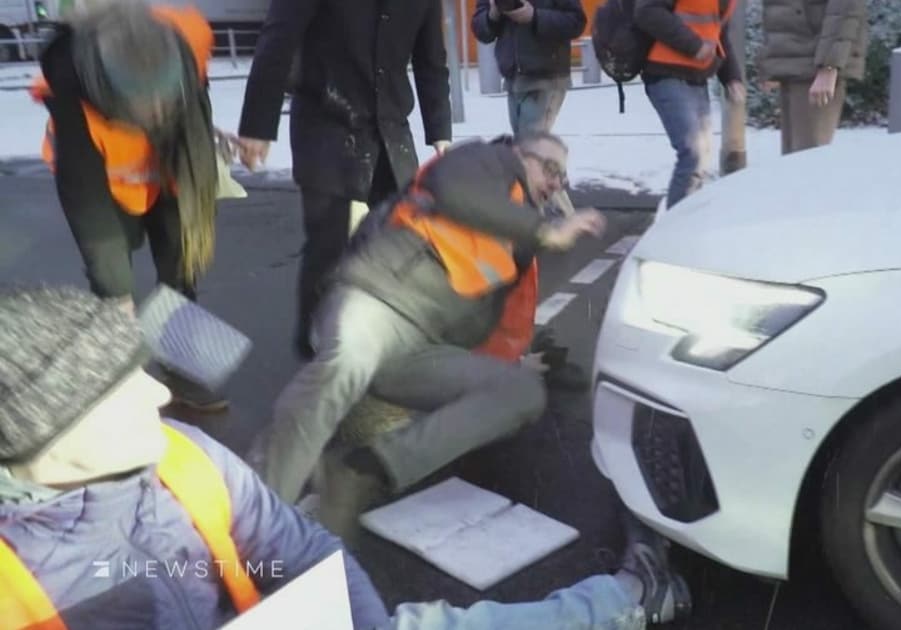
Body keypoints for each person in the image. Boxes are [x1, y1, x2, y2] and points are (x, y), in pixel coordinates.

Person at [0, 284, 687, 628]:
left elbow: (298, 548)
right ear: (48, 430)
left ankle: (628, 596)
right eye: (124, 387)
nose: (157, 394)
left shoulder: (183, 454)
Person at [256, 132, 607, 529]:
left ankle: (361, 471)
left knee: (521, 392)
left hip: (420, 348)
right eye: (550, 168)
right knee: (348, 360)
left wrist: (518, 364)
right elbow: (455, 189)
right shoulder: (484, 160)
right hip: (374, 300)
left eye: (563, 177)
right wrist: (543, 230)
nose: (556, 182)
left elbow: (506, 327)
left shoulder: (520, 242)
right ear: (517, 154)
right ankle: (258, 511)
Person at [28, 0, 228, 411]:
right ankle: (119, 380)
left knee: (182, 269)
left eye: (164, 104)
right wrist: (115, 290)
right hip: (104, 185)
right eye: (145, 109)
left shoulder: (187, 42)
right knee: (112, 285)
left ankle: (182, 370)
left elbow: (197, 120)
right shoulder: (73, 90)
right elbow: (87, 204)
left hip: (175, 171)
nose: (156, 113)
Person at [236, 0, 454, 361]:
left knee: (401, 241)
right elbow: (278, 39)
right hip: (327, 124)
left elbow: (432, 59)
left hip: (391, 130)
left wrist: (439, 130)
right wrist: (257, 127)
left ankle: (387, 336)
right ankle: (317, 346)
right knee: (328, 246)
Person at [471, 0, 584, 219]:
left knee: (529, 153)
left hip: (547, 78)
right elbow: (480, 28)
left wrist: (535, 17)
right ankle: (559, 212)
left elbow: (576, 22)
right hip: (515, 78)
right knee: (528, 151)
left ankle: (541, 218)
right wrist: (493, 14)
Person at [634, 0, 744, 209]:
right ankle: (673, 231)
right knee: (693, 154)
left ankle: (687, 225)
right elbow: (647, 11)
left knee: (700, 160)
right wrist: (694, 46)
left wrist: (732, 78)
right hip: (666, 74)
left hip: (697, 78)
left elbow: (719, 35)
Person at [759, 0, 868, 153]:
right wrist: (774, 60)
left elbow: (844, 7)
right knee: (792, 166)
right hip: (795, 61)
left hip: (816, 63)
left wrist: (828, 65)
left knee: (807, 162)